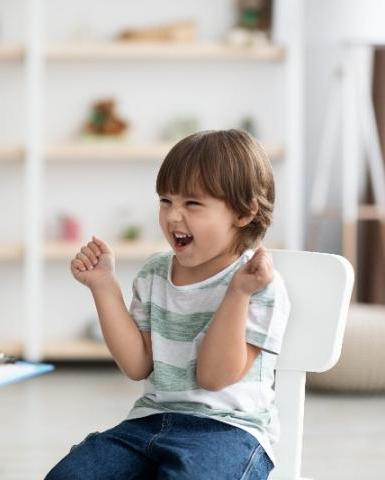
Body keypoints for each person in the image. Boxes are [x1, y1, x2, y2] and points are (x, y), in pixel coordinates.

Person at [47, 129, 291, 480]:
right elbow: (136, 364)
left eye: (192, 203)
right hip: (148, 423)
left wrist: (237, 293)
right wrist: (103, 287)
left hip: (227, 431)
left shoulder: (259, 284)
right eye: (166, 201)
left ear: (243, 212)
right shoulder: (155, 274)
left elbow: (214, 376)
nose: (173, 216)